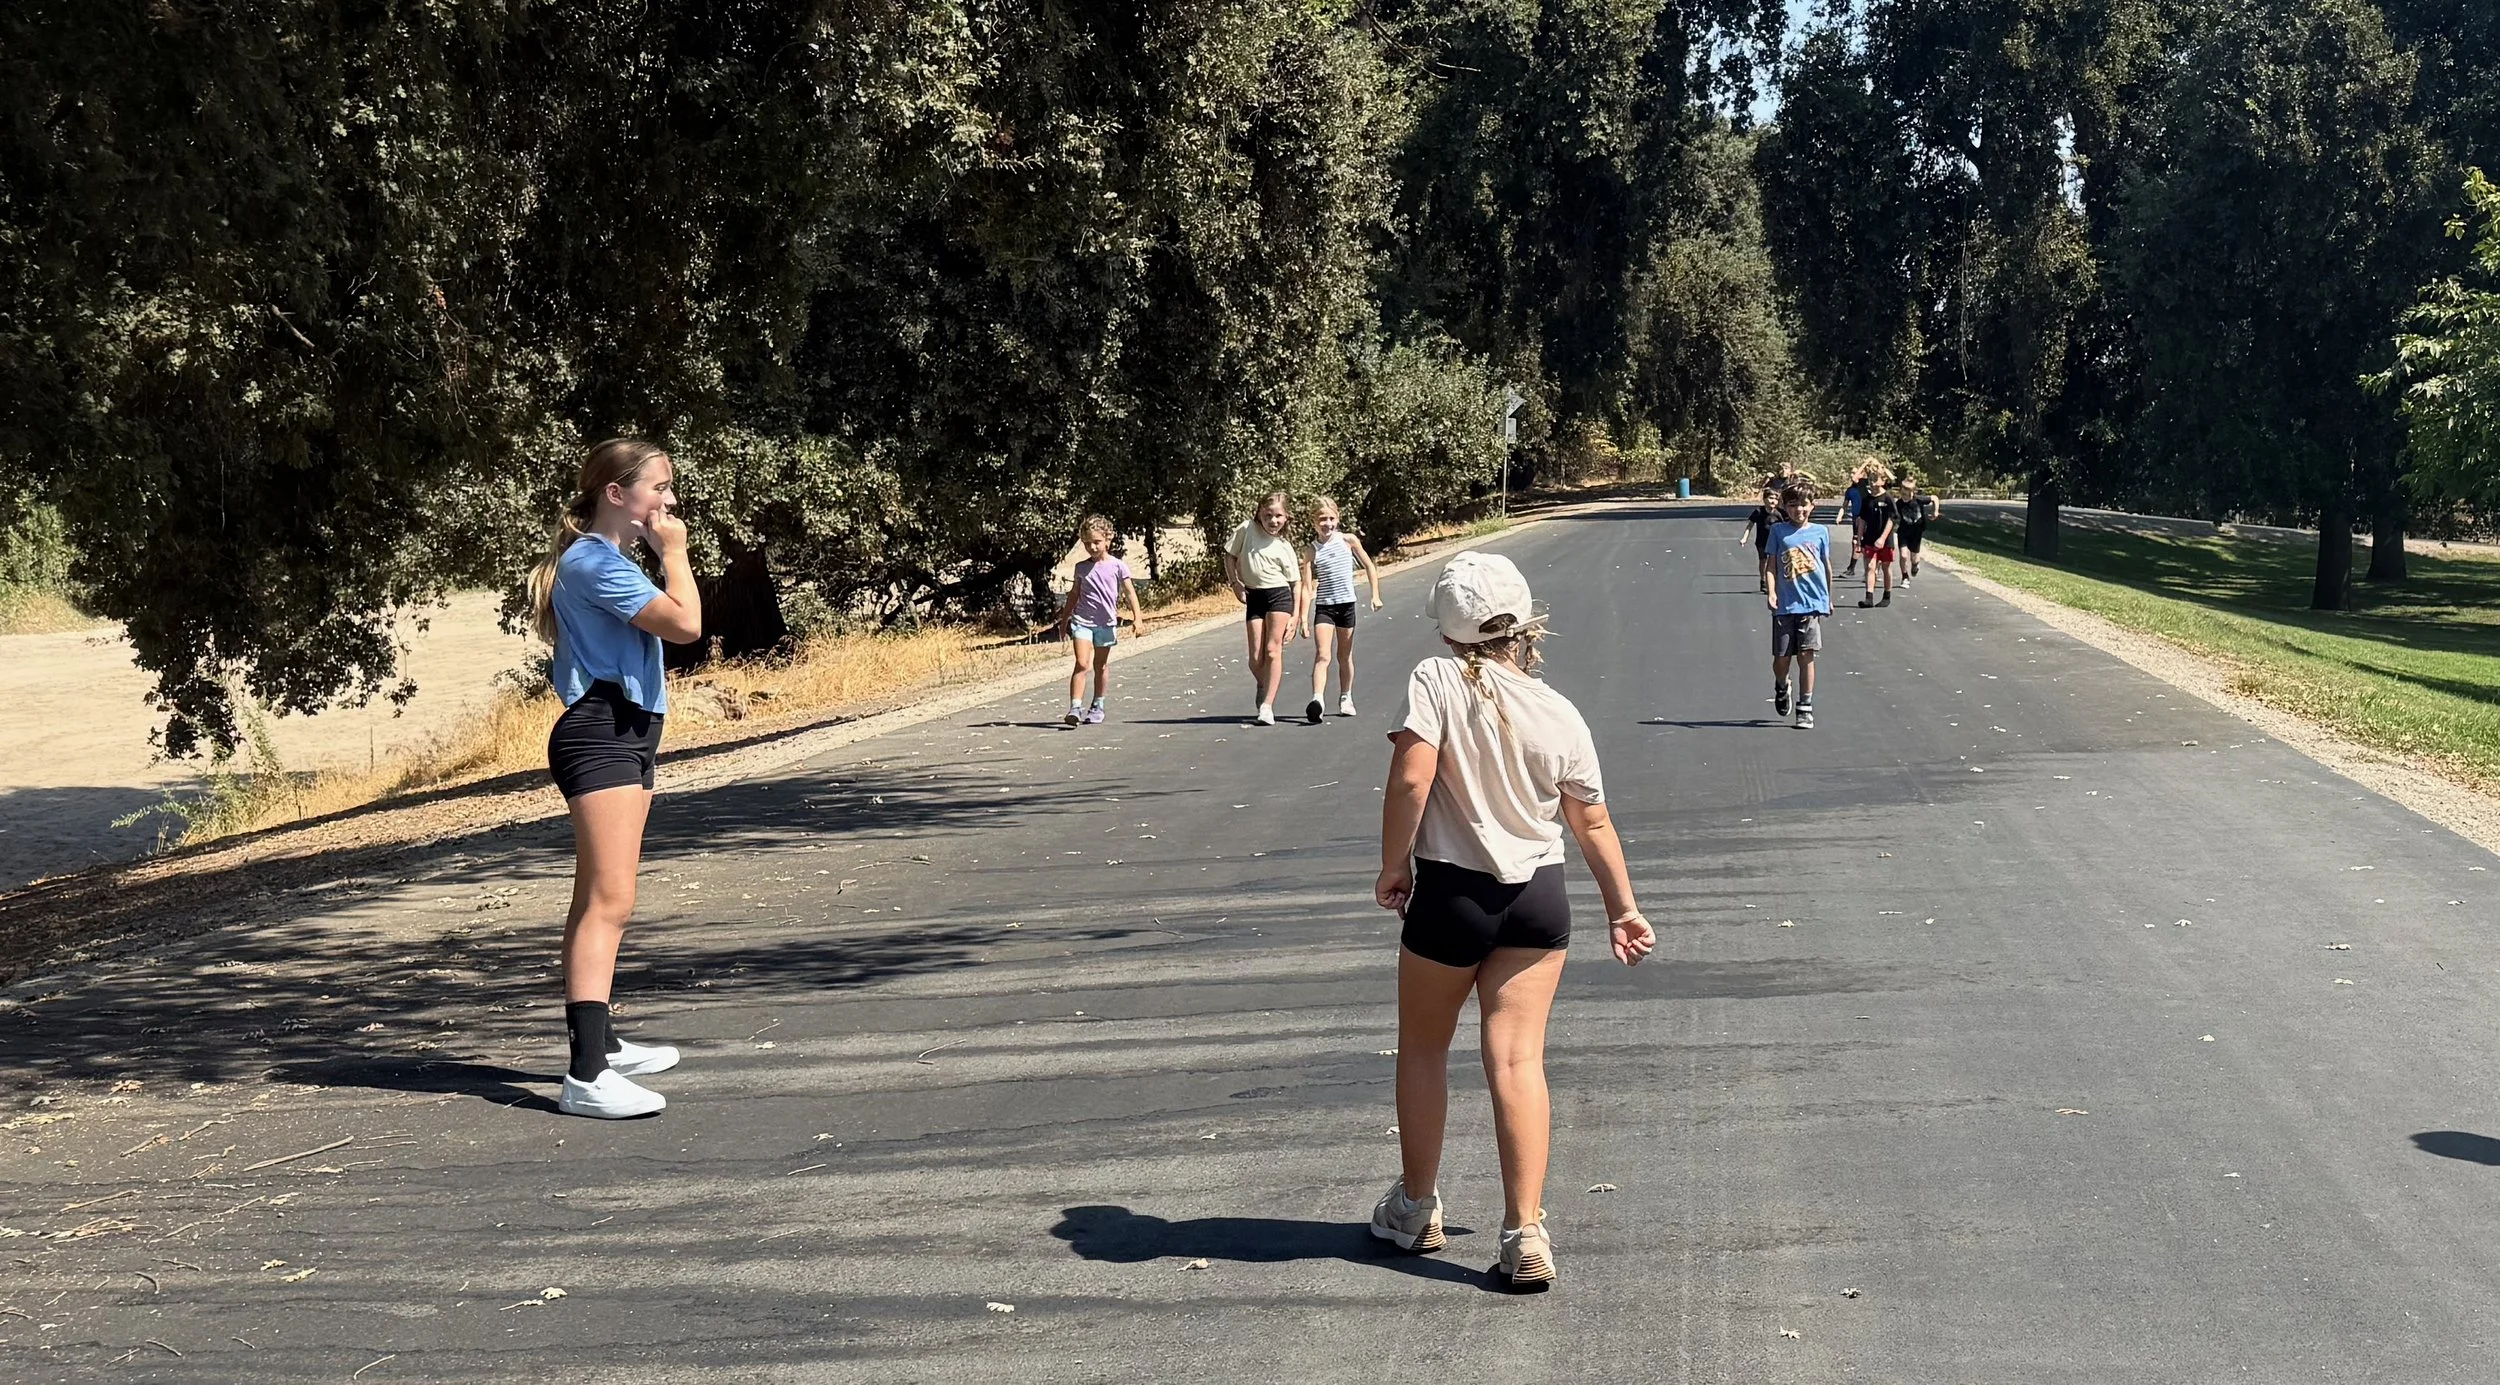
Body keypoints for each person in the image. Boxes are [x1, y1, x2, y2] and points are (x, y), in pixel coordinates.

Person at [1369, 551, 1655, 1289]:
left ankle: (1415, 1206)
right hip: (1538, 896)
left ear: (1450, 631)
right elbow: (1590, 820)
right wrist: (1622, 909)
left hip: (1452, 895)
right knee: (1518, 1061)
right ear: (1525, 628)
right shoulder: (1556, 708)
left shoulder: (1435, 680)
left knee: (1424, 1049)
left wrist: (1394, 863)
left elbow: (1411, 776)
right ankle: (1525, 1230)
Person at [528, 438, 706, 1119]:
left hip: (627, 732)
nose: (668, 500)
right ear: (616, 494)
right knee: (610, 901)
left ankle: (601, 1040)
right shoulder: (592, 561)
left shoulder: (605, 560)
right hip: (600, 732)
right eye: (658, 486)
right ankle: (586, 1075)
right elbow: (686, 623)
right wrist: (676, 553)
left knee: (601, 900)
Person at [1054, 515, 1148, 725]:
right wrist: (1064, 619)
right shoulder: (1081, 568)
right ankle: (1075, 707)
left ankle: (1097, 704)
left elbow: (1130, 593)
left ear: (1108, 539)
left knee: (1101, 665)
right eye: (1087, 543)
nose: (1092, 547)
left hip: (1105, 623)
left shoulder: (1118, 566)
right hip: (1082, 621)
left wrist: (1138, 619)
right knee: (1081, 663)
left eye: (1096, 542)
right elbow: (1074, 594)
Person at [1298, 497, 1384, 723]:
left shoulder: (1349, 540)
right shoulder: (1311, 551)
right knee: (1322, 655)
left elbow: (1369, 566)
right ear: (1313, 523)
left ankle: (1346, 697)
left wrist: (1375, 595)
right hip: (1324, 607)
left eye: (1331, 518)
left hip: (1346, 605)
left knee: (1344, 656)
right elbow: (1307, 587)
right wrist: (1303, 619)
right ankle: (1317, 700)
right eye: (1322, 520)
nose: (1327, 524)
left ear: (1338, 518)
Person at [1226, 491, 1303, 726]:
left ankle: (1267, 706)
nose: (1273, 521)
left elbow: (1296, 583)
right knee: (1255, 658)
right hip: (1254, 596)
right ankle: (1265, 683)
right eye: (1268, 515)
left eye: (1278, 516)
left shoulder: (1284, 546)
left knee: (1272, 650)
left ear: (1286, 518)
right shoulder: (1247, 529)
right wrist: (1235, 584)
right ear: (1260, 512)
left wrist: (1296, 616)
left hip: (1279, 595)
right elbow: (1230, 556)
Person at [1764, 486, 1831, 730]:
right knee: (1781, 659)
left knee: (1806, 655)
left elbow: (1825, 566)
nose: (1798, 510)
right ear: (1784, 507)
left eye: (1803, 504)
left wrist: (1827, 598)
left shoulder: (1820, 532)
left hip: (1811, 604)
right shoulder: (1778, 531)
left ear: (1812, 506)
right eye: (1792, 505)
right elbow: (1771, 566)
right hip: (1785, 604)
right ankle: (1782, 685)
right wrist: (1771, 591)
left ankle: (1805, 707)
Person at [1856, 466, 1898, 608]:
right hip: (1869, 539)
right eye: (1870, 480)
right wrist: (1858, 538)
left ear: (1883, 480)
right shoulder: (1867, 500)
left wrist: (1882, 538)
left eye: (1875, 480)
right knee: (1870, 567)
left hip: (1885, 541)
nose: (1872, 483)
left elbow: (1892, 519)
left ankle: (1887, 595)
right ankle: (1869, 597)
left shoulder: (1888, 498)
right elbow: (1862, 520)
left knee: (1886, 567)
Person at [1895, 475, 1938, 581]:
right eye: (1902, 494)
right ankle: (1904, 577)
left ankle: (1915, 566)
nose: (1904, 496)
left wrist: (1935, 512)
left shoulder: (1919, 500)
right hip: (1903, 532)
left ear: (1912, 492)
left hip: (1916, 533)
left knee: (1914, 559)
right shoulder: (1898, 504)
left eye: (1907, 494)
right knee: (1903, 555)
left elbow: (1935, 498)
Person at [1739, 487, 1779, 596]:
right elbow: (1750, 526)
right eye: (1771, 498)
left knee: (1775, 562)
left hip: (1775, 542)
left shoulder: (1779, 513)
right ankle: (1763, 581)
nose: (1773, 501)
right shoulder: (1758, 512)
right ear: (1765, 499)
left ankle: (1775, 582)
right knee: (1763, 561)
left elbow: (1787, 527)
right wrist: (1744, 538)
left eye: (1776, 499)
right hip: (1761, 541)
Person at [1837, 465, 1867, 577]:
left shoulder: (1865, 486)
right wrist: (1840, 515)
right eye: (1851, 472)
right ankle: (1851, 569)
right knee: (1856, 543)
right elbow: (1844, 505)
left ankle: (1870, 570)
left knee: (1866, 544)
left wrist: (1865, 463)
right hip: (1856, 519)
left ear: (1862, 474)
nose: (1852, 475)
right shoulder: (1850, 490)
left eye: (1855, 472)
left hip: (1866, 518)